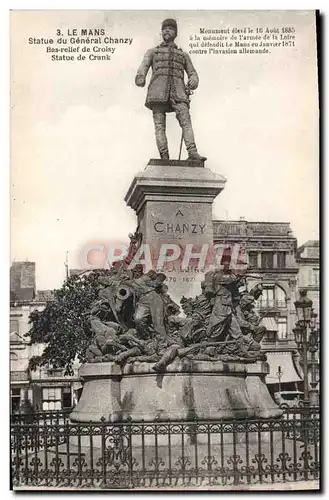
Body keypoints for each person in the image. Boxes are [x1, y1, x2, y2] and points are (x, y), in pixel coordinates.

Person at [135, 18, 206, 161]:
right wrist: (140, 77)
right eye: (164, 28)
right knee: (160, 126)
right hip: (157, 92)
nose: (167, 30)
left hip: (179, 93)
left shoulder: (183, 54)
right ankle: (164, 157)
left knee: (186, 121)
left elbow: (193, 73)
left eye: (170, 28)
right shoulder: (152, 52)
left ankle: (192, 152)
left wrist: (193, 80)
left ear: (176, 33)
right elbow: (142, 68)